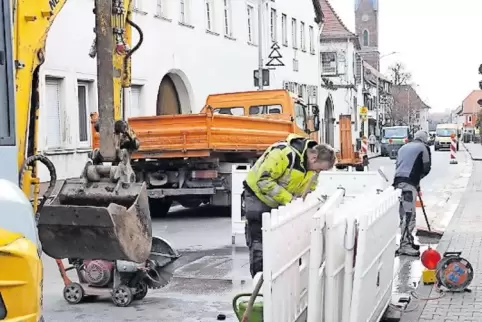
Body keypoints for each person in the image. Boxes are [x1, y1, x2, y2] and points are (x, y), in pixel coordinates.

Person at [243, 134, 337, 277]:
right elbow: (263, 181)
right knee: (259, 242)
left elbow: (310, 187)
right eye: (320, 169)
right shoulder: (282, 154)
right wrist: (290, 200)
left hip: (280, 201)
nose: (318, 172)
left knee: (283, 242)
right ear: (313, 158)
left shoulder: (311, 168)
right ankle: (260, 285)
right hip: (257, 196)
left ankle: (276, 281)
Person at [393, 130, 431, 256]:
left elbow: (399, 165)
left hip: (398, 183)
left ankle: (408, 240)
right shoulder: (423, 148)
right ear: (424, 139)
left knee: (403, 214)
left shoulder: (403, 147)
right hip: (409, 185)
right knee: (409, 216)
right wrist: (417, 181)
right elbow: (426, 167)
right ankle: (405, 246)